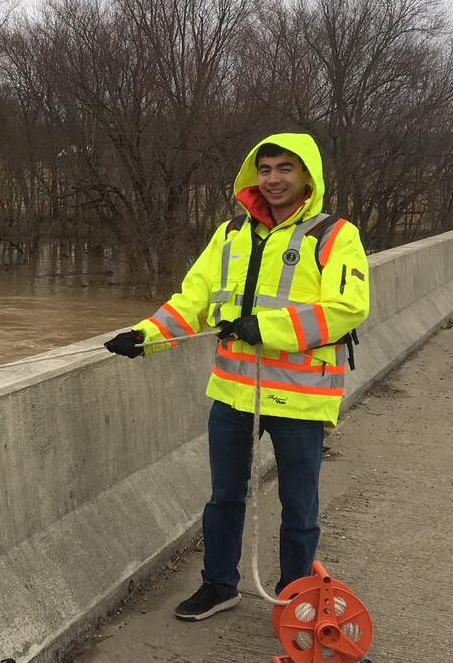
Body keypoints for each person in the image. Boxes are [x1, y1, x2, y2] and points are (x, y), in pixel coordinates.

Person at [104, 133, 370, 620]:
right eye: (265, 169)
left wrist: (265, 327)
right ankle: (219, 585)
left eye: (285, 169)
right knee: (224, 496)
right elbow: (194, 301)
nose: (273, 179)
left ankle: (297, 601)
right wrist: (144, 335)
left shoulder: (335, 235)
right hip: (233, 393)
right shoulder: (230, 234)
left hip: (300, 398)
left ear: (306, 175)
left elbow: (348, 307)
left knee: (299, 507)